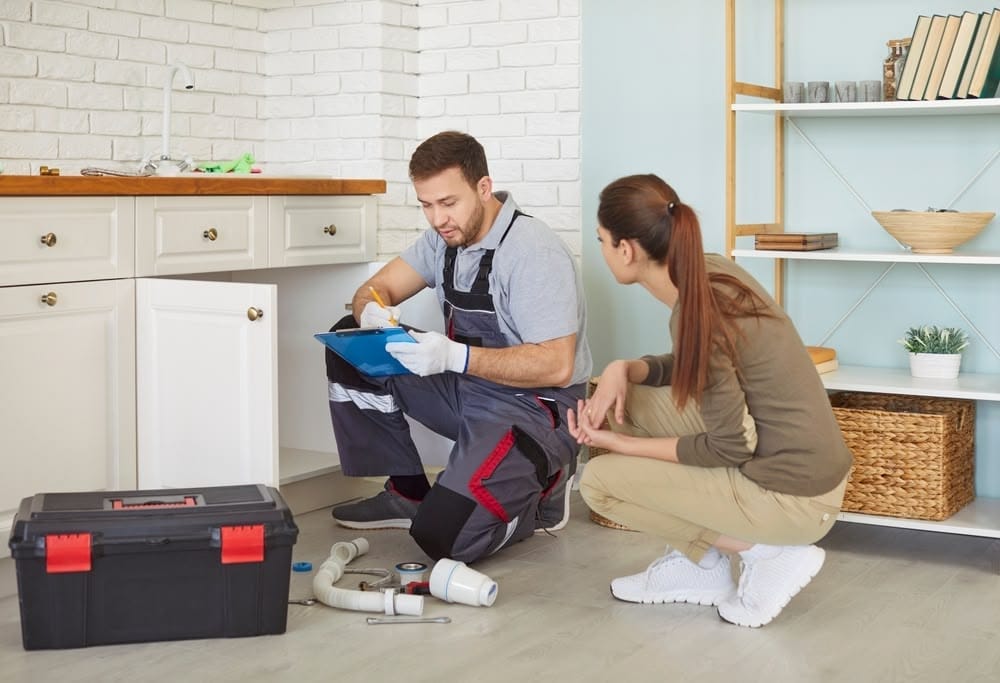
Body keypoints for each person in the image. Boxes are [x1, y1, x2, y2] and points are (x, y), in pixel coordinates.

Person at [570, 173, 852, 628]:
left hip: (796, 498)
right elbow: (698, 364)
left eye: (601, 240)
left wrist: (621, 447)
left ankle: (767, 553)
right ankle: (702, 566)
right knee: (624, 405)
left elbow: (729, 447)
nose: (600, 250)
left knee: (599, 482)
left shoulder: (695, 311)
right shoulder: (710, 271)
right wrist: (626, 368)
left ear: (626, 249)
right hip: (802, 468)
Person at [325, 131, 593, 563]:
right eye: (426, 205)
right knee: (348, 341)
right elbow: (378, 288)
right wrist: (368, 312)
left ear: (483, 188)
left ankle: (545, 486)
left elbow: (558, 365)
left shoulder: (533, 253)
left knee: (444, 539)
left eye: (448, 203)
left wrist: (455, 356)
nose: (437, 218)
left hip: (538, 408)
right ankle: (409, 494)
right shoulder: (444, 239)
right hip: (468, 389)